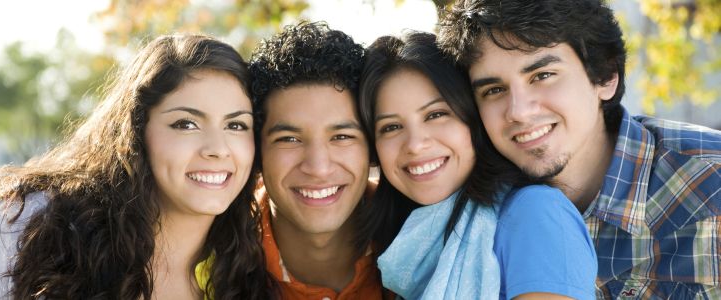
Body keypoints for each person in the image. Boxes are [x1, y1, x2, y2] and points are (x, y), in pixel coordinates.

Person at [439, 0, 721, 298]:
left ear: (605, 76)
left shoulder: (712, 185)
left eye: (542, 75)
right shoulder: (470, 212)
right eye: (494, 90)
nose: (518, 112)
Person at [0, 34, 276, 300]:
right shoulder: (28, 225)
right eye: (186, 124)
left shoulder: (249, 278)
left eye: (236, 125)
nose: (217, 148)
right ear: (137, 132)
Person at [359, 31, 596, 300]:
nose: (414, 144)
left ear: (473, 119)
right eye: (391, 127)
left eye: (436, 114)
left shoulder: (534, 213)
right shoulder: (405, 244)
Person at [248, 21, 388, 299]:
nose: (318, 167)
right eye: (289, 139)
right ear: (256, 152)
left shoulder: (426, 241)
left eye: (341, 136)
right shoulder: (208, 258)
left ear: (371, 147)